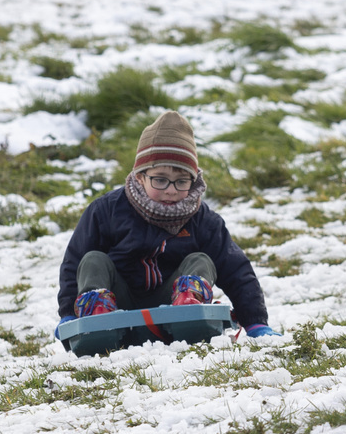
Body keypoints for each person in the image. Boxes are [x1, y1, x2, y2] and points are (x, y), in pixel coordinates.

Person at [56, 110, 279, 340]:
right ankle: (96, 316)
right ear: (141, 176)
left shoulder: (203, 221)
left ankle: (189, 304)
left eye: (181, 181)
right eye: (160, 179)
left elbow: (236, 270)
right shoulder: (106, 211)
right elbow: (74, 262)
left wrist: (255, 322)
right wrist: (67, 315)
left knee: (201, 260)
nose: (171, 190)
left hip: (174, 315)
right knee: (93, 259)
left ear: (194, 181)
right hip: (117, 310)